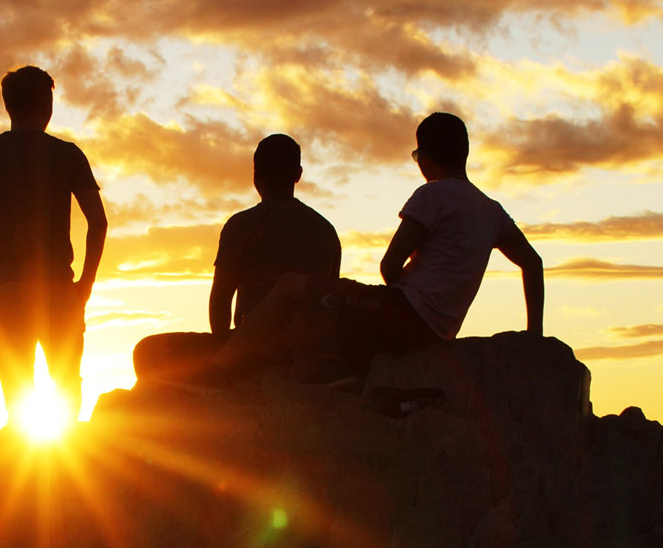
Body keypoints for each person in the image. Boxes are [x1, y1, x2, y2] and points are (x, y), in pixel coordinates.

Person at [185, 113, 544, 413]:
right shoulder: (492, 211)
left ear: (426, 156)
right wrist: (534, 336)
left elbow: (390, 265)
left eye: (417, 154)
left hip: (404, 310)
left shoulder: (434, 194)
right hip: (440, 329)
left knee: (294, 285)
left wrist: (397, 302)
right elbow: (533, 263)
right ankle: (353, 383)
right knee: (330, 311)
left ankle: (218, 369)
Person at [0, 66, 108, 431]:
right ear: (47, 104)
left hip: (2, 287)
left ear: (8, 106)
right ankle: (68, 466)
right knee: (67, 382)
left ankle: (20, 469)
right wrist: (85, 284)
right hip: (57, 286)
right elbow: (98, 222)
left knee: (16, 388)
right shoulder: (68, 154)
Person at [132, 134, 341, 385]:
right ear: (298, 174)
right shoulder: (326, 231)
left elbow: (220, 299)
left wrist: (224, 355)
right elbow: (329, 303)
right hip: (302, 350)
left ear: (256, 176)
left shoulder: (243, 224)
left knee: (146, 351)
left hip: (250, 350)